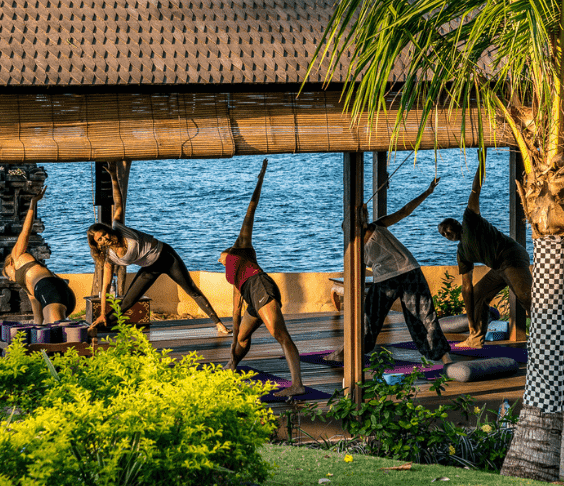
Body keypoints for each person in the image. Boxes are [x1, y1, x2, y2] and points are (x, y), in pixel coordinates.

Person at [87, 162, 230, 335]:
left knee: (191, 289)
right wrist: (102, 312)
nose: (105, 239)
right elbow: (106, 284)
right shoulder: (108, 256)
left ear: (108, 230)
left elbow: (118, 202)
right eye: (100, 240)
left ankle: (219, 324)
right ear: (98, 244)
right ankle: (97, 327)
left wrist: (113, 177)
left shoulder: (118, 226)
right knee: (126, 303)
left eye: (104, 234)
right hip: (149, 268)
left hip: (167, 257)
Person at [324, 179, 452, 365]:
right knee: (368, 320)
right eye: (361, 215)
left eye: (365, 213)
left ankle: (445, 358)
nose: (365, 214)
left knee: (425, 316)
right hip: (388, 279)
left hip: (408, 271)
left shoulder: (378, 225)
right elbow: (356, 274)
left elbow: (405, 211)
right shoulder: (355, 246)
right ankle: (346, 351)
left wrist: (428, 192)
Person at [219, 159, 305, 398]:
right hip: (251, 296)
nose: (220, 256)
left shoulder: (240, 249)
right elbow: (236, 308)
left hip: (261, 287)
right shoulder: (232, 276)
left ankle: (297, 384)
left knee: (280, 335)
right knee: (243, 337)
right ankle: (232, 365)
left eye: (222, 253)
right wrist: (233, 342)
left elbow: (251, 209)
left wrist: (261, 177)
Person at [438, 165, 532, 348]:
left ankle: (544, 335)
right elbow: (467, 288)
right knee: (478, 295)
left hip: (512, 257)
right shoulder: (462, 253)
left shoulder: (470, 220)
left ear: (456, 224)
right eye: (443, 235)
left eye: (447, 230)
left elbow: (476, 189)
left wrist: (483, 159)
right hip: (498, 267)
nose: (447, 235)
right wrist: (471, 321)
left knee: (525, 296)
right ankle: (475, 338)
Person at [3, 186, 76, 325]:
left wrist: (32, 204)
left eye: (8, 275)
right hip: (60, 293)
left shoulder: (17, 256)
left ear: (10, 264)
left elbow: (25, 231)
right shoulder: (30, 289)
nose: (11, 280)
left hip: (51, 290)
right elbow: (38, 319)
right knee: (51, 336)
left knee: (59, 336)